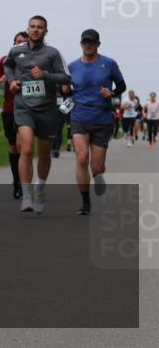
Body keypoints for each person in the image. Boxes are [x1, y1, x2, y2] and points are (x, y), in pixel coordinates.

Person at [3, 15, 71, 214]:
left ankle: (39, 187)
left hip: (47, 109)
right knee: (25, 149)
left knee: (43, 154)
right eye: (32, 26)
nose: (35, 30)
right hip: (23, 107)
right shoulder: (16, 51)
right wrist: (11, 81)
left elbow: (66, 77)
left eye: (40, 27)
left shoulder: (53, 53)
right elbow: (7, 65)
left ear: (45, 31)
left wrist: (45, 75)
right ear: (28, 29)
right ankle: (26, 195)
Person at [68, 29, 127, 215]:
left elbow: (122, 85)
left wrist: (112, 93)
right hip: (79, 116)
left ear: (98, 44)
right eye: (85, 42)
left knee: (97, 166)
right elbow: (66, 91)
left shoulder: (109, 64)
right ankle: (85, 202)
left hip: (102, 118)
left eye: (92, 42)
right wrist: (63, 91)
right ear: (81, 44)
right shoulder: (72, 66)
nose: (88, 45)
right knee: (81, 158)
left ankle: (98, 175)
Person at [0, 31, 29, 199]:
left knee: (22, 146)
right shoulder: (4, 60)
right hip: (9, 109)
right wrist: (2, 80)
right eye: (18, 41)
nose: (20, 44)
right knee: (13, 147)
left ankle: (23, 183)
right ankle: (16, 181)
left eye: (24, 42)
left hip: (27, 109)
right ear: (13, 43)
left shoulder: (33, 60)